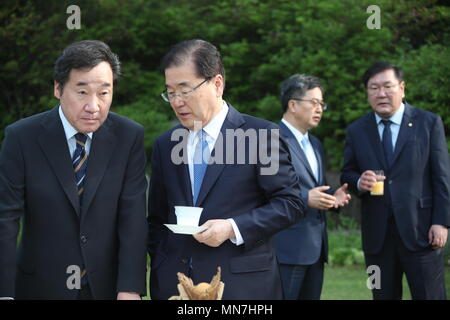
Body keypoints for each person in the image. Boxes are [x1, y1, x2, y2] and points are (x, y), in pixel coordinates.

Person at [147, 39, 305, 300]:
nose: (176, 102)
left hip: (241, 287)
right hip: (175, 286)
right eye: (170, 92)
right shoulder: (166, 144)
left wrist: (233, 228)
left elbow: (290, 204)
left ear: (217, 84)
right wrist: (162, 266)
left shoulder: (260, 136)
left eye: (185, 90)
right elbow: (157, 219)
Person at [0, 40, 148, 300]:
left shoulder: (129, 137)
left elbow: (133, 219)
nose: (94, 106)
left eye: (104, 93)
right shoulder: (21, 138)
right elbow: (5, 219)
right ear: (58, 89)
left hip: (106, 289)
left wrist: (130, 288)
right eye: (82, 92)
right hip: (38, 287)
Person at [341, 62, 450, 300]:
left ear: (402, 88)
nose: (381, 93)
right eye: (374, 88)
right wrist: (360, 181)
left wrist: (441, 222)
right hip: (377, 237)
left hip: (422, 233)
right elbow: (347, 173)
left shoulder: (428, 123)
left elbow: (441, 176)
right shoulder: (357, 130)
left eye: (387, 86)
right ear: (367, 93)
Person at [274, 74, 351, 300]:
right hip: (285, 249)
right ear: (293, 105)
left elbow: (313, 189)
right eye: (314, 103)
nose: (320, 109)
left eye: (322, 104)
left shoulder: (315, 144)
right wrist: (305, 197)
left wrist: (331, 199)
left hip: (316, 250)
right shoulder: (270, 139)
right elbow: (261, 191)